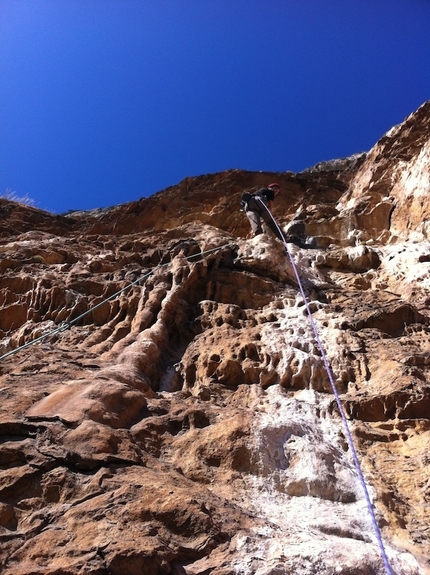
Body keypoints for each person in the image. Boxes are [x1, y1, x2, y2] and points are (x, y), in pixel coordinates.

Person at [245, 183, 317, 249]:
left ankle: (258, 235)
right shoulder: (270, 192)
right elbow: (270, 204)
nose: (276, 192)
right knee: (271, 222)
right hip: (260, 202)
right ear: (271, 188)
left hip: (248, 205)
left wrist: (263, 220)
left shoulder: (260, 191)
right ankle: (284, 238)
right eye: (276, 189)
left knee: (253, 219)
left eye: (277, 191)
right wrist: (269, 214)